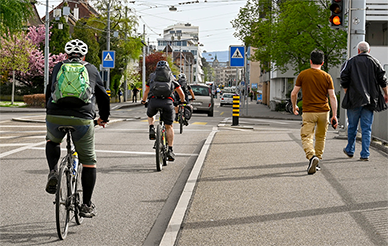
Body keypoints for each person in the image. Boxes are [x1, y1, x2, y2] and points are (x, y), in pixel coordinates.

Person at [45, 39, 110, 218]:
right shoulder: (91, 69)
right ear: (84, 55)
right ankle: (87, 205)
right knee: (89, 161)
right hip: (82, 119)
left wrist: (49, 111)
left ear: (66, 55)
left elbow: (49, 90)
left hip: (55, 115)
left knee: (52, 140)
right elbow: (103, 97)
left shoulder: (58, 67)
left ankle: (53, 171)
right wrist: (103, 117)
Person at [291, 49, 338, 175]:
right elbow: (332, 97)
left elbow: (294, 93)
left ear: (310, 61)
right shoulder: (327, 76)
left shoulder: (303, 75)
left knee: (306, 136)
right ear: (322, 63)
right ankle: (317, 162)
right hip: (324, 112)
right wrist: (334, 115)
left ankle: (312, 157)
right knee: (321, 137)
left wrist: (294, 106)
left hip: (308, 112)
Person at [340, 41, 388, 161]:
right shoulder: (375, 62)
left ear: (358, 51)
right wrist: (386, 94)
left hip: (354, 99)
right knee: (367, 128)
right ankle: (365, 154)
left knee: (352, 126)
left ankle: (350, 150)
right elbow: (383, 79)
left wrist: (347, 91)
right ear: (369, 51)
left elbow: (343, 77)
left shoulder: (350, 62)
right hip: (370, 101)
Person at [141, 61, 185, 161]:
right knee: (169, 126)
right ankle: (170, 149)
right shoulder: (171, 77)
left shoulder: (152, 76)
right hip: (168, 102)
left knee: (150, 114)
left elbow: (146, 91)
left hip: (154, 101)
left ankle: (151, 127)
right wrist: (182, 101)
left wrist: (144, 101)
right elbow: (180, 93)